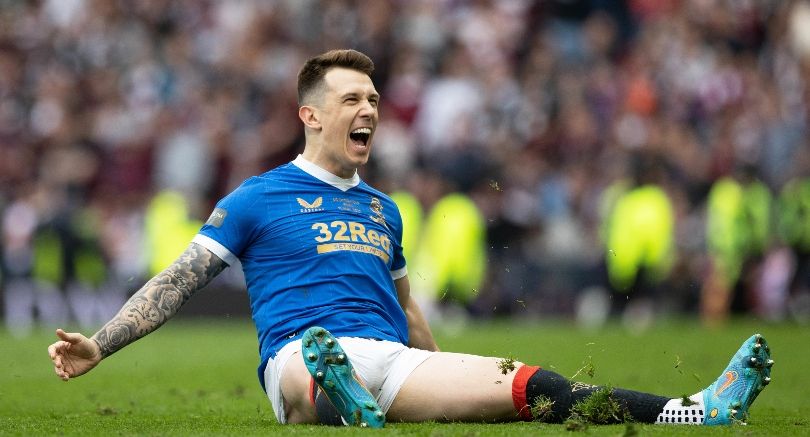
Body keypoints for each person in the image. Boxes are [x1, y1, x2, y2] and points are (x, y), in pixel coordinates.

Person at [48, 49, 772, 428]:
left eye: (373, 99)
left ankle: (696, 409)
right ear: (310, 114)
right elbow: (177, 280)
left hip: (391, 361)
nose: (369, 109)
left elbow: (410, 310)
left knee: (530, 383)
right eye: (351, 99)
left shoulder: (385, 210)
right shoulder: (255, 197)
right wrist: (100, 343)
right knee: (307, 370)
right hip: (301, 355)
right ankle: (336, 400)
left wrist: (454, 369)